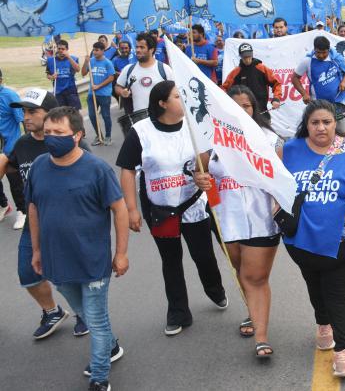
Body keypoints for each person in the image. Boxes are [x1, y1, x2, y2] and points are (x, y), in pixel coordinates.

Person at [27, 107, 128, 391]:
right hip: (56, 261)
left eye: (59, 133)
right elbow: (33, 208)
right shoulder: (38, 166)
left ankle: (99, 378)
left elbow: (119, 210)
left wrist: (120, 253)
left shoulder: (96, 169)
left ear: (77, 135)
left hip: (93, 261)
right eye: (47, 133)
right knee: (82, 311)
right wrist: (36, 250)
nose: (51, 138)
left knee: (95, 319)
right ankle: (111, 347)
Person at [116, 81, 227, 336]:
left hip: (194, 205)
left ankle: (215, 290)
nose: (183, 100)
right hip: (160, 208)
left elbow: (210, 160)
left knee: (203, 255)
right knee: (171, 260)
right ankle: (178, 312)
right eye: (177, 96)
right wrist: (131, 209)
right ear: (162, 103)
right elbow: (127, 169)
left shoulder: (195, 128)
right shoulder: (141, 131)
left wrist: (204, 174)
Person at [282, 100, 345, 378]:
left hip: (343, 239)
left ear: (335, 124)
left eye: (327, 122)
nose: (321, 127)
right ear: (307, 125)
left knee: (338, 292)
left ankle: (343, 352)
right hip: (300, 239)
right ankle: (322, 322)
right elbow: (271, 180)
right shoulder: (289, 150)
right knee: (315, 286)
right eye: (315, 122)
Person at [193, 86, 283, 356]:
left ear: (254, 108)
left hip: (262, 220)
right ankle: (251, 312)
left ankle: (262, 337)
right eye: (236, 105)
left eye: (247, 105)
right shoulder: (212, 140)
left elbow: (281, 180)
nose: (242, 110)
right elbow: (200, 168)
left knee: (255, 277)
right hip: (226, 221)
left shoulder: (269, 139)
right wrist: (199, 178)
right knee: (242, 272)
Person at [1, 89, 93, 339]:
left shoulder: (73, 143)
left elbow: (93, 179)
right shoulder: (22, 143)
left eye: (32, 111)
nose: (26, 117)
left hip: (68, 223)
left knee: (69, 277)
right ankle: (52, 311)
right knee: (28, 274)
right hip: (35, 224)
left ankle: (84, 313)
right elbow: (8, 163)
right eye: (24, 112)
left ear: (50, 114)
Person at [291, 36, 345, 132]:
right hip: (317, 104)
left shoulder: (336, 58)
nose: (321, 55)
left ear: (329, 49)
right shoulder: (307, 61)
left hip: (338, 103)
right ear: (314, 50)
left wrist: (343, 82)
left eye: (324, 52)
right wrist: (304, 94)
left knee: (342, 132)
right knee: (320, 132)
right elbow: (294, 78)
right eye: (318, 52)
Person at [115, 33, 174, 113]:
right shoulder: (128, 69)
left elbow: (175, 93)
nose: (138, 50)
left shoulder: (165, 69)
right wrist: (122, 92)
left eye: (142, 47)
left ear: (151, 49)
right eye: (137, 47)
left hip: (161, 119)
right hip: (138, 119)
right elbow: (118, 87)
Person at [221, 43, 283, 116]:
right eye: (245, 57)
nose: (247, 59)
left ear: (252, 54)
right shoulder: (235, 72)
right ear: (240, 56)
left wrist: (276, 99)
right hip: (241, 114)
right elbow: (223, 89)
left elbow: (277, 84)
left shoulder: (262, 68)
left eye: (249, 56)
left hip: (262, 112)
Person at [0, 68, 24, 226]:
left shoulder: (9, 96)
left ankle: (22, 211)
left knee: (15, 182)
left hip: (10, 146)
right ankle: (3, 205)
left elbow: (23, 120)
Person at [80, 41, 115, 146]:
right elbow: (83, 73)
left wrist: (99, 86)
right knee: (92, 115)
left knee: (105, 116)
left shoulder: (108, 63)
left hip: (104, 94)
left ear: (103, 51)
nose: (94, 52)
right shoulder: (90, 61)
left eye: (97, 50)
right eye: (93, 50)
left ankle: (108, 136)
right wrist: (86, 62)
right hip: (92, 94)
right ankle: (99, 135)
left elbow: (111, 78)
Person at [45, 39, 81, 109]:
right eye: (59, 48)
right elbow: (48, 75)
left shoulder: (74, 58)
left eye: (63, 49)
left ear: (67, 49)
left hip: (71, 90)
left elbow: (78, 69)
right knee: (61, 114)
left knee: (73, 113)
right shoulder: (51, 60)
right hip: (58, 92)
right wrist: (52, 77)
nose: (60, 50)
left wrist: (68, 57)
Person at [111, 40, 135, 115]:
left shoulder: (135, 58)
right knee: (129, 113)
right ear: (119, 49)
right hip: (124, 88)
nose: (124, 50)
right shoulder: (115, 60)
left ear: (130, 48)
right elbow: (112, 71)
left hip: (137, 87)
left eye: (126, 48)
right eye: (122, 48)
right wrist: (122, 74)